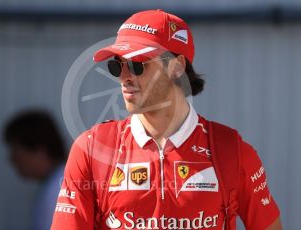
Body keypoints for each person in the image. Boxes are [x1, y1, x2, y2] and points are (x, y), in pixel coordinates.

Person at [51, 9, 282, 229]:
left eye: (136, 65)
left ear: (176, 66)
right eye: (117, 65)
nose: (124, 77)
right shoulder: (91, 148)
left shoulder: (232, 150)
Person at [3, 110, 67, 230]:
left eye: (16, 151)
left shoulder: (56, 192)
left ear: (40, 151)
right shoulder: (60, 182)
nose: (12, 159)